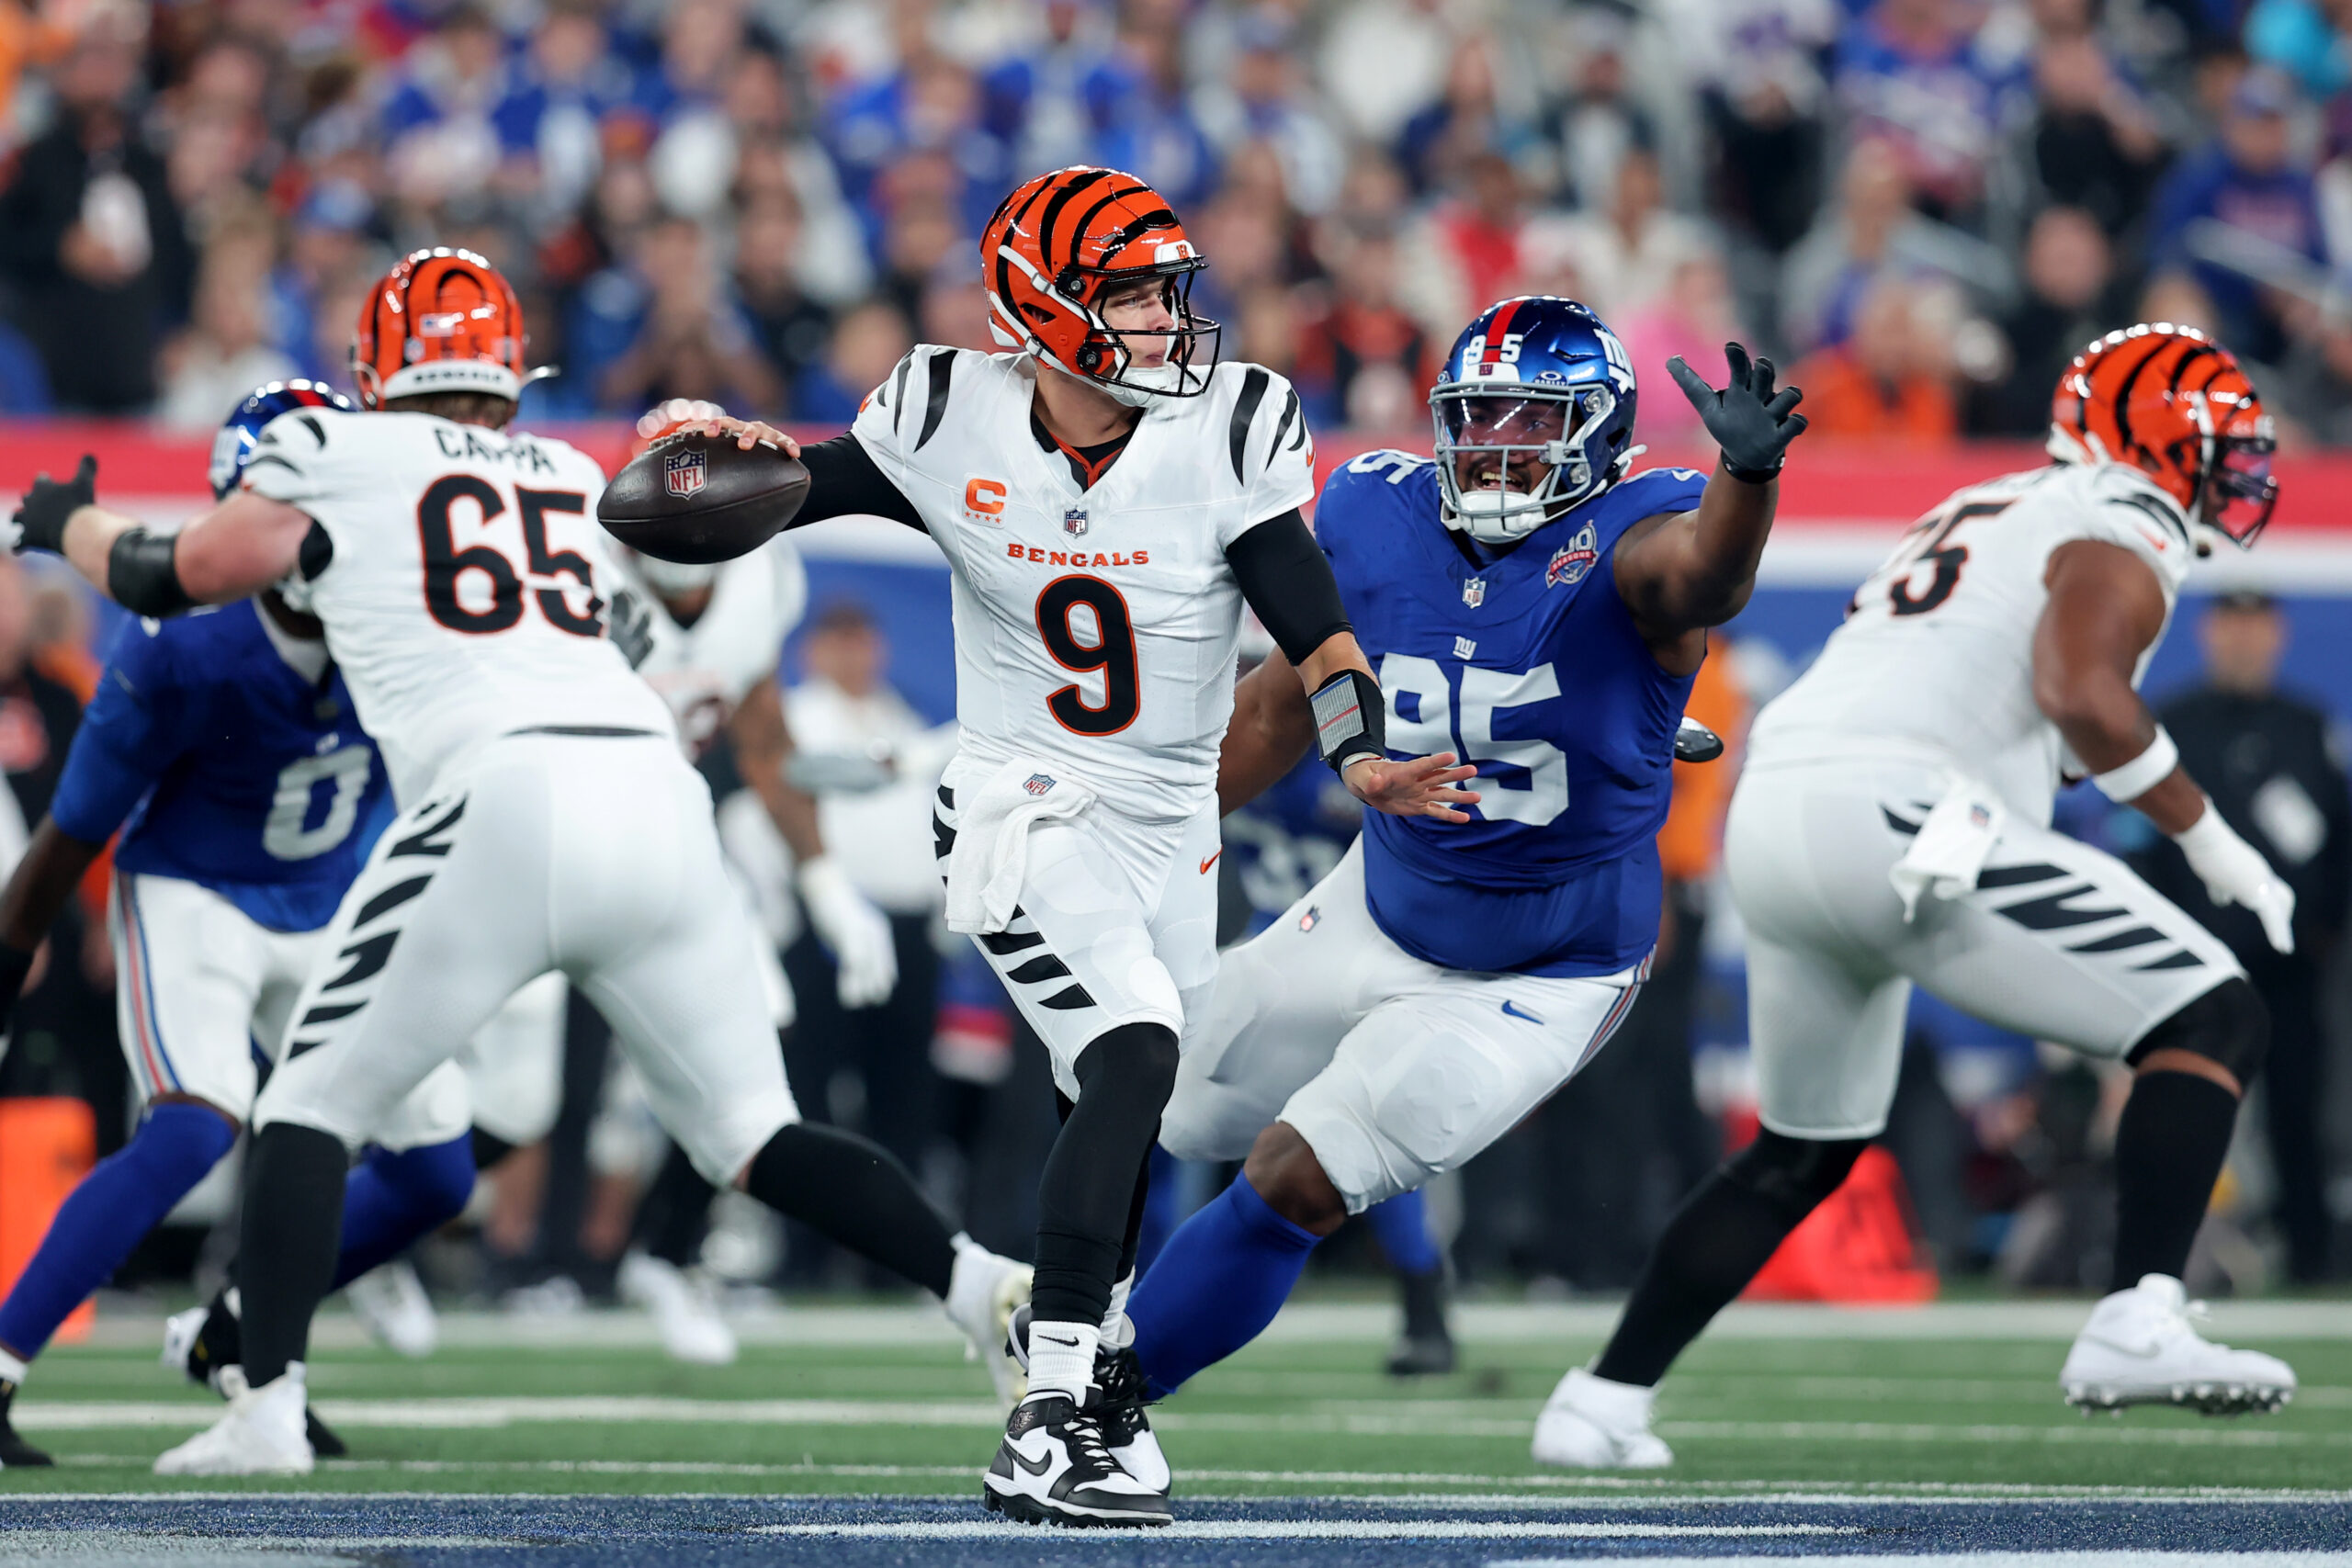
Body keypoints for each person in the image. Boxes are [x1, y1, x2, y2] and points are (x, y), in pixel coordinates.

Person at [6, 248, 1027, 1477]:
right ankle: (975, 1280)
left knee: (306, 1108)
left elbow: (166, 571)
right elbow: (653, 617)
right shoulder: (559, 470)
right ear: (504, 371)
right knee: (754, 1130)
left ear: (379, 372)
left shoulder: (340, 454)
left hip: (498, 794)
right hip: (654, 799)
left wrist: (61, 516)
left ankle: (262, 1400)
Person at [691, 165, 1471, 1527]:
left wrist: (1358, 754)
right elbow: (784, 487)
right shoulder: (947, 412)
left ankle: (1087, 1389)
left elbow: (1314, 626)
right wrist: (706, 466)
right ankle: (1049, 1408)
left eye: (1174, 293)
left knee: (1116, 1098)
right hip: (1020, 802)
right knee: (1131, 1047)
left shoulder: (1233, 425)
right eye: (1134, 295)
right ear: (1042, 311)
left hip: (1172, 820)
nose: (1171, 322)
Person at [1534, 323, 2300, 1471]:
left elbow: (2028, 702)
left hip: (1783, 811)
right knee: (2211, 1011)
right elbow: (2080, 694)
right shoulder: (2119, 513)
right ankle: (2138, 1311)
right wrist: (2215, 841)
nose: (2232, 474)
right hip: (1897, 816)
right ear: (2154, 443)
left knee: (1801, 1149)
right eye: (2216, 447)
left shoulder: (1990, 505)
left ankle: (1599, 1400)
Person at [1123, 297, 1805, 1424]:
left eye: (1533, 422)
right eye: (1479, 414)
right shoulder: (1373, 510)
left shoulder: (1637, 533)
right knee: (1138, 1089)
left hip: (1540, 969)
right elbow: (1283, 711)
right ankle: (1053, 1314)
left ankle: (1102, 1400)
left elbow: (1703, 580)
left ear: (1596, 436)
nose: (1496, 442)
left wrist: (1746, 483)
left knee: (1301, 1172)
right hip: (1379, 899)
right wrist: (1140, 829)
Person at [0, 382, 480, 1466]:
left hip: (331, 900)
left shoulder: (418, 614)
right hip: (196, 891)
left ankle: (236, 1333)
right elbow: (71, 833)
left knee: (436, 1172)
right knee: (193, 1122)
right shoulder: (184, 647)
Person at [598, 400, 901, 1364]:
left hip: (667, 839)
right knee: (508, 1087)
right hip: (553, 827)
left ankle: (665, 1250)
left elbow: (763, 739)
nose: (694, 513)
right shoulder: (577, 564)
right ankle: (380, 1234)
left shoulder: (762, 575)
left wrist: (824, 886)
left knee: (748, 1036)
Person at [2132, 592, 2350, 1283]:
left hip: (2287, 963)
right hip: (2197, 963)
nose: (2245, 640)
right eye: (2233, 625)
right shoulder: (2174, 722)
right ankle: (2171, 1256)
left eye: (2257, 626)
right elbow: (2144, 842)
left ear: (2277, 635)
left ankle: (2310, 1254)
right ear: (2209, 632)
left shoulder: (2306, 725)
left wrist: (2322, 931)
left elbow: (2341, 842)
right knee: (2187, 1108)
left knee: (2297, 1110)